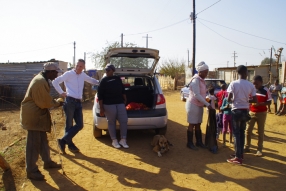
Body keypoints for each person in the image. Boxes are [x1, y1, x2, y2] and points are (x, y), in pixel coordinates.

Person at [20, 63, 63, 180]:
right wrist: (57, 102)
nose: (56, 74)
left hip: (38, 115)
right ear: (50, 72)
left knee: (43, 140)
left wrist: (55, 102)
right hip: (34, 116)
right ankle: (31, 170)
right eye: (55, 72)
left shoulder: (43, 79)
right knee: (33, 144)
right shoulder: (40, 82)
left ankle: (47, 162)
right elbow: (43, 102)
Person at [52, 59, 99, 154]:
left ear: (84, 67)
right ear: (75, 65)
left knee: (80, 125)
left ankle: (63, 141)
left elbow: (92, 81)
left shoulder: (83, 75)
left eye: (81, 66)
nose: (78, 68)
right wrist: (61, 93)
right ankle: (70, 145)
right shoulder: (68, 74)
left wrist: (102, 82)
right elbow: (55, 82)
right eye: (77, 65)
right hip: (69, 101)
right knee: (69, 124)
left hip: (78, 102)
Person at [226, 65, 257, 165]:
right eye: (247, 72)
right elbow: (255, 100)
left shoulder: (233, 84)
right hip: (245, 111)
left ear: (238, 73)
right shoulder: (250, 85)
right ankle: (240, 154)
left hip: (236, 110)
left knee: (236, 134)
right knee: (242, 132)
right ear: (245, 73)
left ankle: (237, 157)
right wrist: (247, 100)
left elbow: (229, 99)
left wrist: (235, 100)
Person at [97, 64, 129, 149]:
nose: (106, 72)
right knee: (111, 122)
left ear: (113, 70)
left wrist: (125, 99)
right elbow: (100, 96)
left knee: (124, 120)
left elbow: (122, 90)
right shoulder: (103, 81)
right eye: (105, 70)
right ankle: (114, 140)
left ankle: (123, 139)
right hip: (108, 104)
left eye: (108, 70)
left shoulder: (117, 79)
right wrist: (101, 108)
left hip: (119, 103)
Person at [186, 61, 213, 150]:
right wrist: (207, 104)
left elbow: (202, 93)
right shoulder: (195, 80)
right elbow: (197, 94)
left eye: (207, 72)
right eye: (205, 72)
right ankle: (189, 143)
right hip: (193, 104)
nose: (206, 74)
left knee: (198, 123)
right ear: (200, 71)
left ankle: (199, 142)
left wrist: (207, 95)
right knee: (192, 124)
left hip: (199, 105)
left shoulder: (202, 80)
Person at [244, 75, 272, 157]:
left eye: (256, 84)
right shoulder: (252, 89)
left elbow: (269, 102)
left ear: (261, 82)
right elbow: (249, 99)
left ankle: (259, 149)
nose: (255, 85)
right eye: (253, 83)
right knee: (248, 131)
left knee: (260, 132)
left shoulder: (266, 90)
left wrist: (260, 104)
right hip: (252, 112)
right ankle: (247, 147)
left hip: (262, 113)